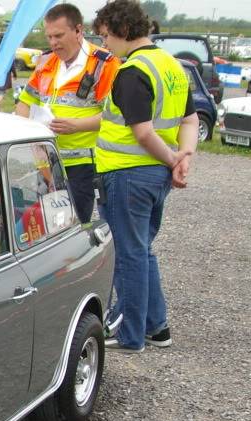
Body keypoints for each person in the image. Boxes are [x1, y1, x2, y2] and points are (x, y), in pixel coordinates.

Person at [93, 0, 198, 353]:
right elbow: (190, 120)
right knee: (142, 250)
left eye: (106, 37)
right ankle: (157, 327)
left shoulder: (132, 71)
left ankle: (129, 334)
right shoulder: (172, 66)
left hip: (127, 175)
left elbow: (143, 132)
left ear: (122, 31)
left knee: (128, 254)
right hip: (154, 176)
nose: (105, 45)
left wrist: (172, 159)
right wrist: (183, 158)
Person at [14, 4, 118, 223]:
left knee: (75, 224)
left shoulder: (103, 64)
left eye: (59, 35)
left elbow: (114, 116)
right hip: (45, 162)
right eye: (49, 36)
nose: (53, 42)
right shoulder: (46, 62)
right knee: (46, 224)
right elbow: (24, 104)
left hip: (83, 166)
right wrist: (26, 137)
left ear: (78, 31)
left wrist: (76, 126)